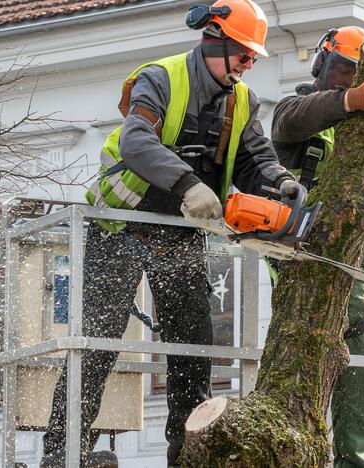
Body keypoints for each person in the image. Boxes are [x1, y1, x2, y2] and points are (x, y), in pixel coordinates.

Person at [40, 1, 299, 466]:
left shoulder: (243, 101)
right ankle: (61, 455)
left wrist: (279, 183)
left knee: (193, 349)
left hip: (179, 236)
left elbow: (253, 160)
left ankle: (185, 456)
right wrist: (188, 184)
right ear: (213, 39)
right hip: (120, 226)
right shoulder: (160, 78)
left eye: (252, 58)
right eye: (242, 54)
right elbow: (138, 141)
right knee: (96, 344)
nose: (247, 64)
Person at [270, 26, 364, 468]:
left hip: (358, 263)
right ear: (321, 65)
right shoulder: (297, 110)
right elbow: (288, 123)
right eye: (339, 70)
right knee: (302, 355)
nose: (346, 80)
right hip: (303, 252)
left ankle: (355, 461)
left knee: (361, 363)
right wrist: (351, 102)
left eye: (356, 75)